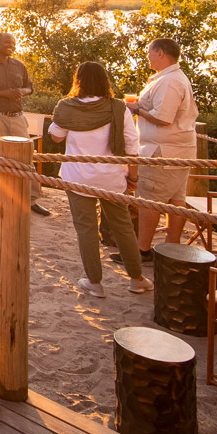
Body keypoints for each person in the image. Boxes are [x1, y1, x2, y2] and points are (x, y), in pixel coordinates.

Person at [48, 61, 148, 296]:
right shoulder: (118, 108)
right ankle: (136, 278)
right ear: (105, 81)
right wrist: (133, 177)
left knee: (86, 229)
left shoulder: (66, 107)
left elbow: (56, 137)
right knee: (123, 228)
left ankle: (94, 283)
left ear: (78, 81)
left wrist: (68, 121)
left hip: (77, 177)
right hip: (111, 178)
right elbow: (132, 145)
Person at [126, 37, 198, 253]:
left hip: (162, 151)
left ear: (161, 53)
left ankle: (143, 249)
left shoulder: (170, 82)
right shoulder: (171, 78)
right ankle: (171, 247)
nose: (147, 56)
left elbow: (164, 118)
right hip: (176, 149)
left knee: (150, 199)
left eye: (150, 51)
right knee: (176, 200)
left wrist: (136, 109)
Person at [0, 33, 50, 215]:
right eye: (7, 42)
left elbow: (29, 87)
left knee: (26, 156)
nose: (11, 45)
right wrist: (4, 93)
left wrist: (21, 91)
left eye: (13, 43)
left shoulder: (19, 66)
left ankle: (31, 200)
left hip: (17, 116)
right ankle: (2, 197)